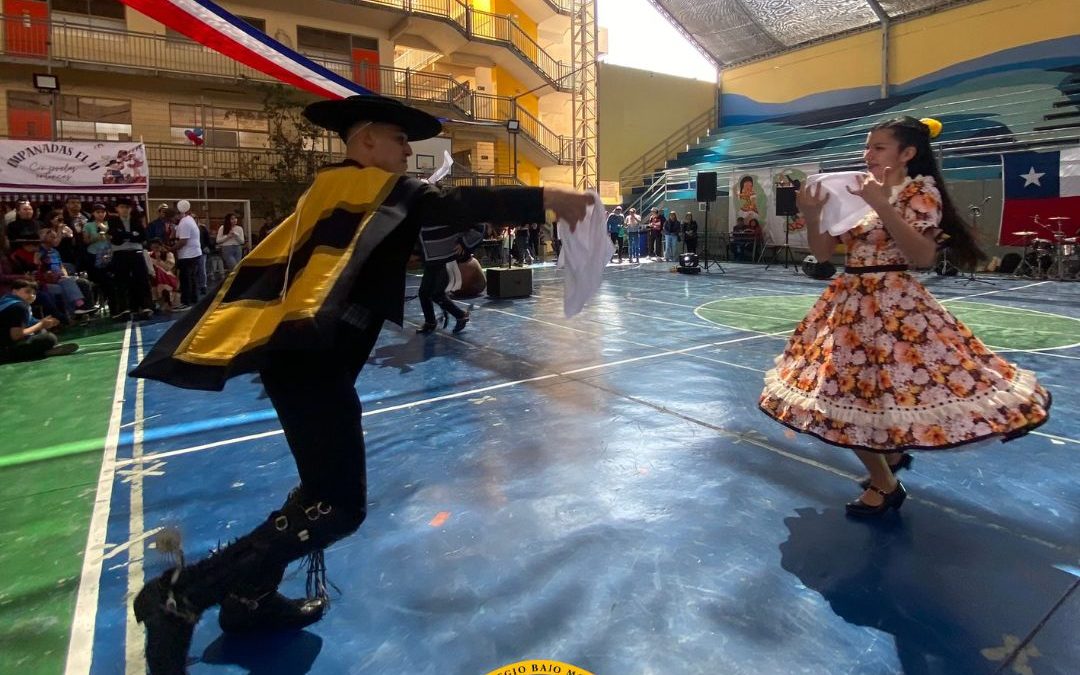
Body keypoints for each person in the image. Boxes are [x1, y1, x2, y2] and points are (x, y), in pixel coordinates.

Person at [129, 94, 594, 674]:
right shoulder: (372, 190)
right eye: (400, 141)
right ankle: (183, 595)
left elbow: (433, 223)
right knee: (338, 508)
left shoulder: (330, 192)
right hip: (313, 365)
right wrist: (551, 198)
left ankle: (248, 602)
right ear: (368, 139)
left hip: (297, 359)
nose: (407, 153)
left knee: (315, 490)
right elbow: (457, 202)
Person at [758, 116, 1051, 517]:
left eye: (879, 147)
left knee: (876, 393)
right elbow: (824, 254)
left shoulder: (919, 191)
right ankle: (888, 463)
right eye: (868, 147)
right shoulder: (856, 192)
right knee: (843, 395)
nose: (868, 155)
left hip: (896, 306)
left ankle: (885, 483)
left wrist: (882, 205)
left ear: (908, 153)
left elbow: (922, 257)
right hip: (849, 304)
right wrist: (811, 215)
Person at [0, 279, 78, 363]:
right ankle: (43, 352)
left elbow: (28, 323)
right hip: (3, 351)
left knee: (42, 331)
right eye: (28, 292)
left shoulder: (5, 301)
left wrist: (44, 323)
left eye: (34, 293)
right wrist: (41, 324)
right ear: (15, 291)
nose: (32, 295)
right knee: (49, 338)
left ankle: (44, 350)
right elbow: (16, 335)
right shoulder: (19, 307)